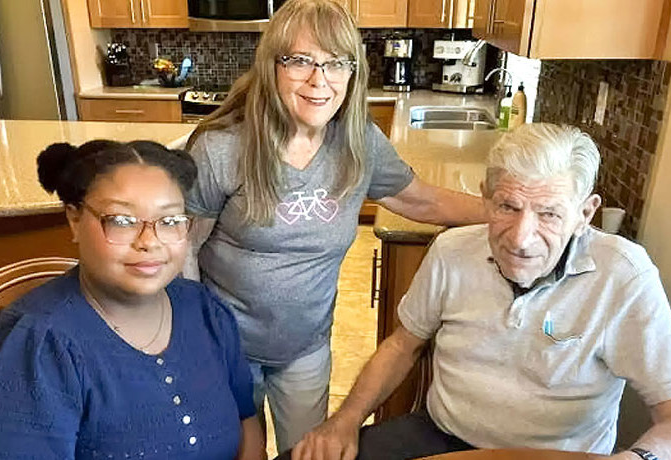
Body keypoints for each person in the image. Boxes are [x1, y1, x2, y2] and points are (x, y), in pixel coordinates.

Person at [182, 0, 486, 453]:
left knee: (306, 452)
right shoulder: (222, 148)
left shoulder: (358, 140)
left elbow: (418, 199)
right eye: (300, 61)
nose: (318, 80)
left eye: (335, 63)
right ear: (272, 66)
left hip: (305, 348)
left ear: (352, 71)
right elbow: (183, 248)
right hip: (225, 348)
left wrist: (506, 211)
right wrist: (194, 341)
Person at [290, 123, 671, 460]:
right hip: (440, 439)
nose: (521, 237)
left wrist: (638, 459)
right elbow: (402, 346)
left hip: (557, 455)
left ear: (584, 214)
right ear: (484, 198)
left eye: (549, 214)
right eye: (507, 207)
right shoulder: (451, 251)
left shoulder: (623, 276)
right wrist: (343, 421)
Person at [0, 140, 263, 459]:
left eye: (169, 221)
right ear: (74, 219)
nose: (149, 242)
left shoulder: (204, 310)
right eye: (122, 221)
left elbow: (246, 420)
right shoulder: (36, 348)